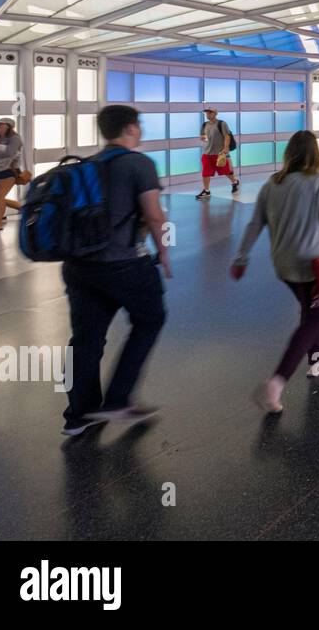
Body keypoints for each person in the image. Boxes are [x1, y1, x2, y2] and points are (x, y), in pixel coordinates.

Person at [61, 105, 170, 436]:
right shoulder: (139, 163)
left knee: (86, 339)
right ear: (131, 128)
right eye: (139, 125)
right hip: (124, 264)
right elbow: (153, 215)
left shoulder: (87, 166)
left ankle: (78, 415)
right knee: (150, 319)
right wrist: (163, 250)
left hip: (79, 267)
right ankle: (117, 399)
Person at [231, 131, 319, 414]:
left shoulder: (272, 184)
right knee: (313, 317)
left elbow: (255, 224)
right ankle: (276, 382)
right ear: (315, 153)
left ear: (288, 154)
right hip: (317, 264)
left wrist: (241, 257)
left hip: (284, 265)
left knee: (309, 310)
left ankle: (318, 359)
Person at [197, 106, 239, 200]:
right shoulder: (204, 125)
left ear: (215, 113)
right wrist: (203, 138)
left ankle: (234, 181)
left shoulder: (222, 124)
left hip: (220, 153)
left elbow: (227, 136)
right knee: (205, 172)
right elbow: (203, 136)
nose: (208, 114)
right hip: (207, 153)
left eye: (210, 112)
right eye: (207, 113)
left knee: (226, 172)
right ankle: (206, 191)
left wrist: (226, 148)